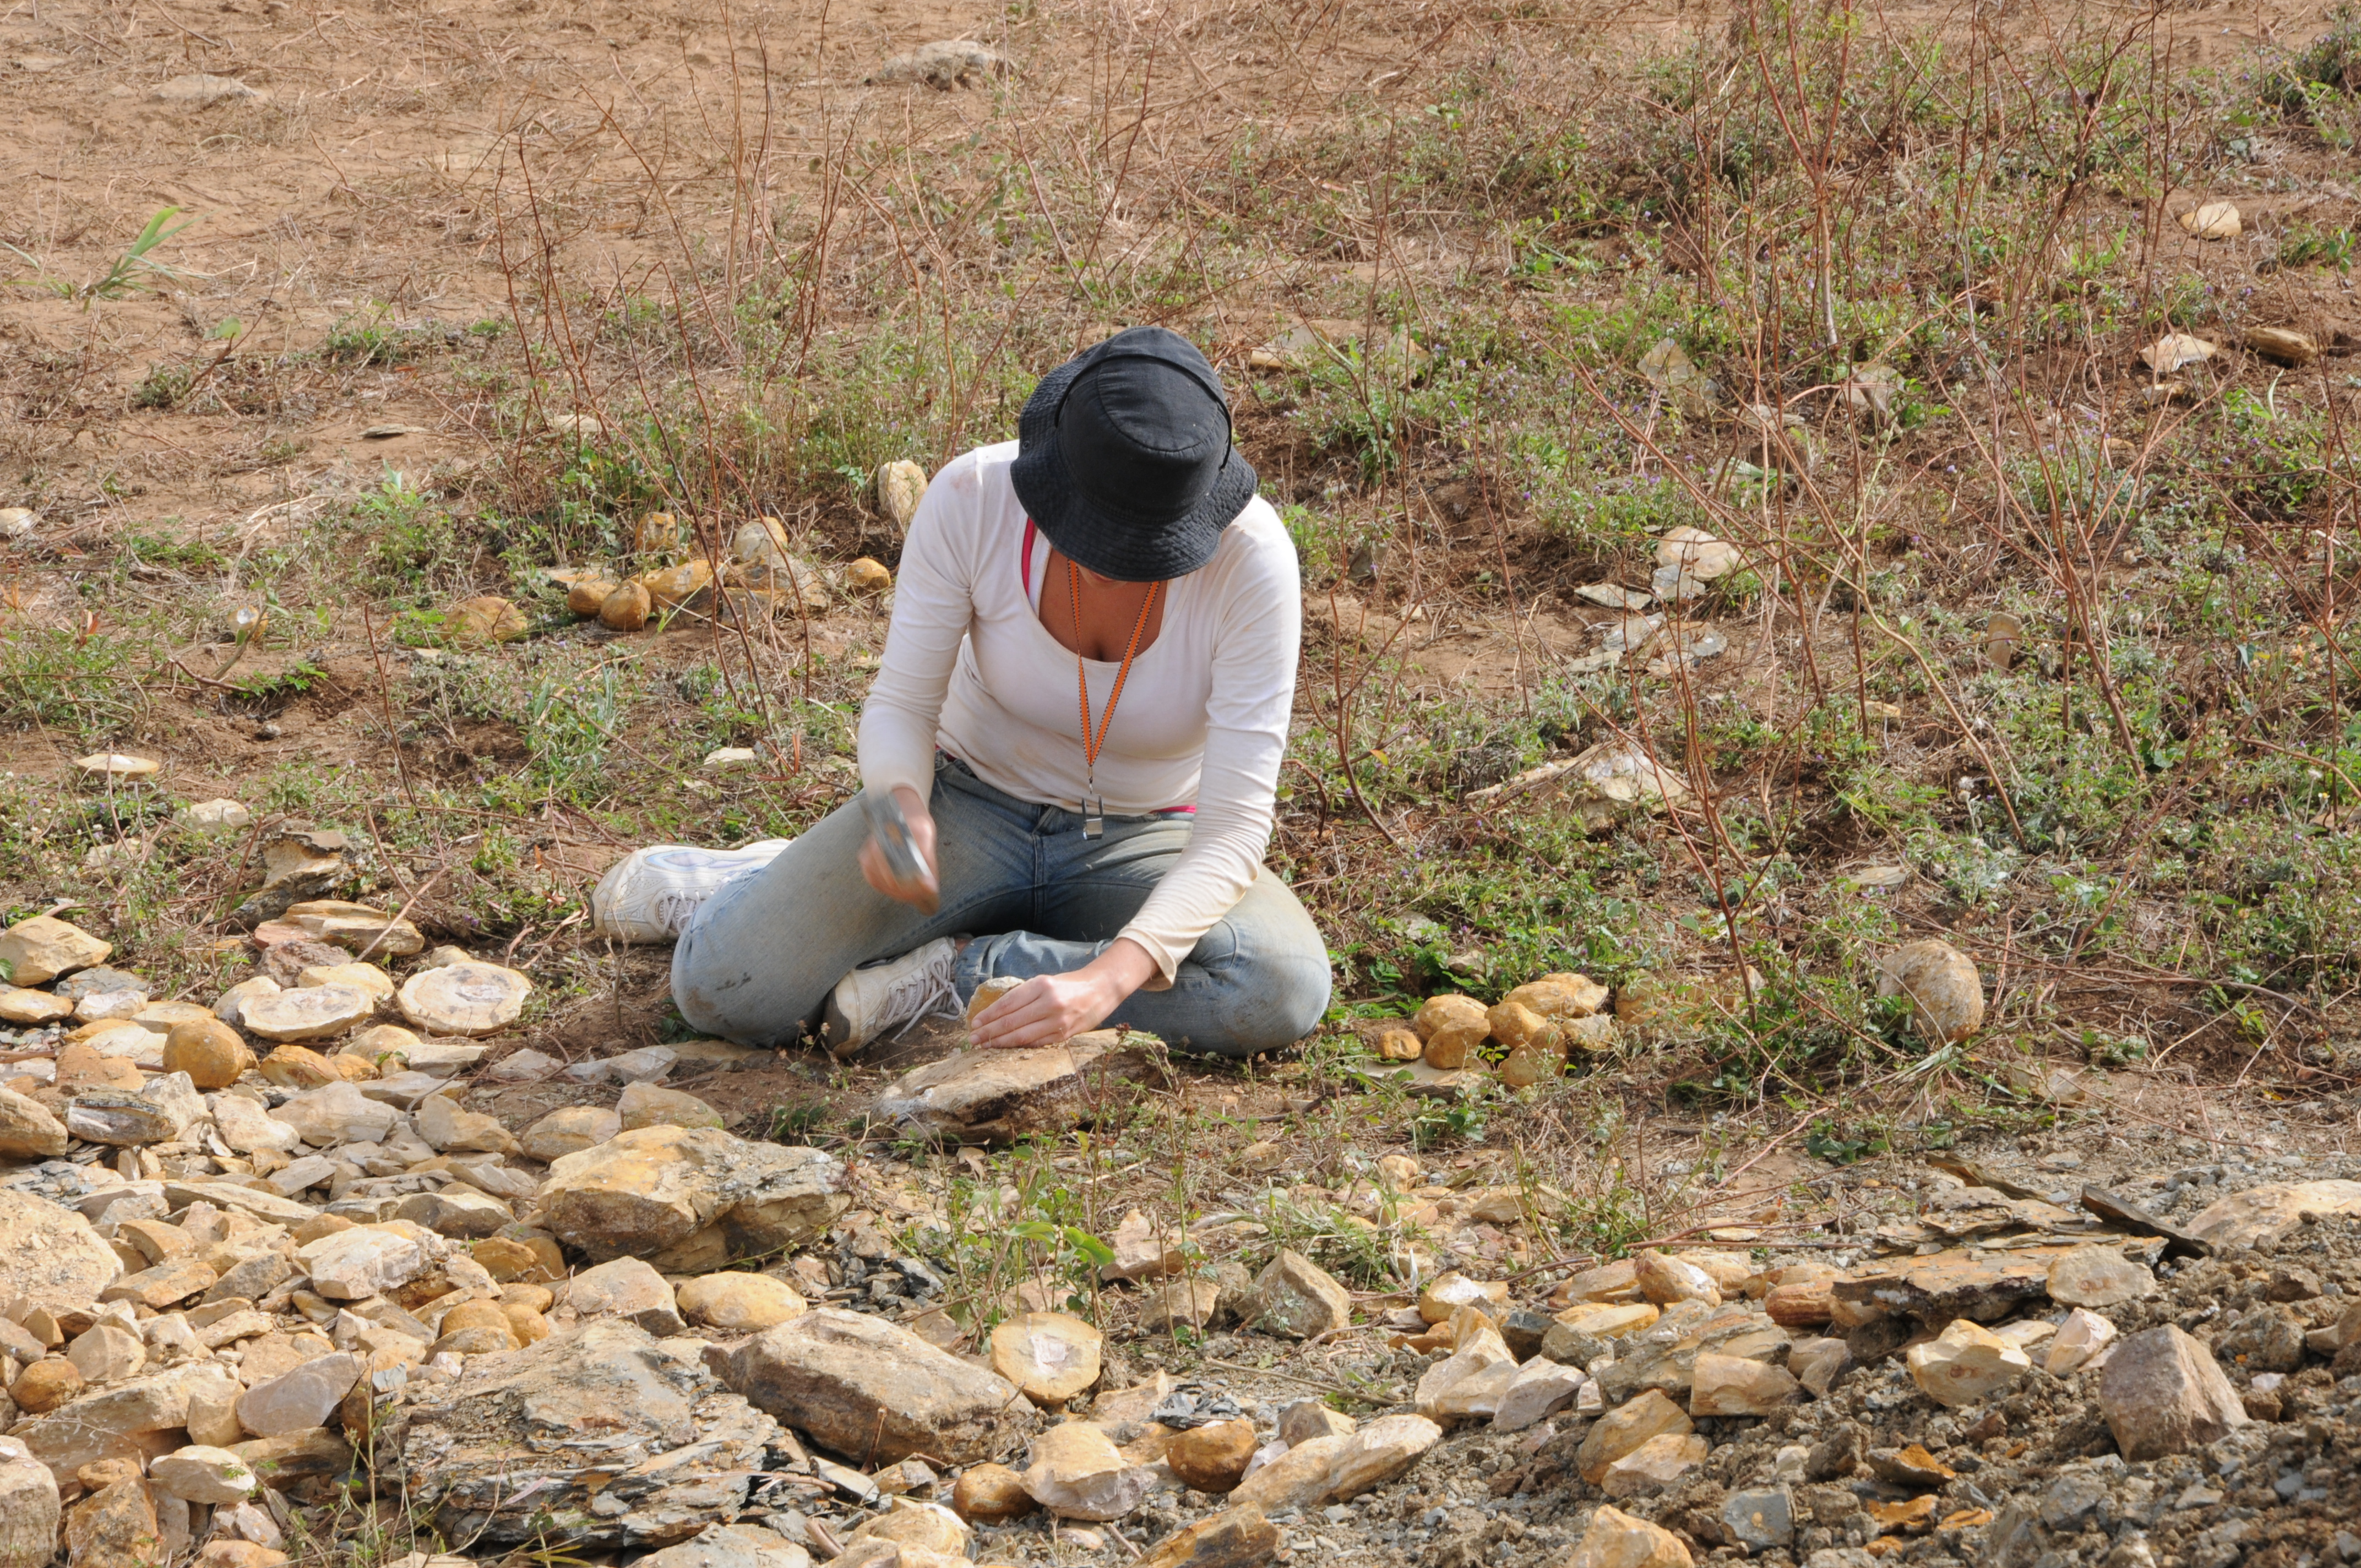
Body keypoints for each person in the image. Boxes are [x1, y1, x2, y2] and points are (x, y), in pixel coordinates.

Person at [667, 325, 1331, 1057]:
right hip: (967, 802)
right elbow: (903, 705)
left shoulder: (1254, 561)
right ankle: (747, 876)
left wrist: (1106, 984)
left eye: (1149, 547)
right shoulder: (973, 498)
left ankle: (958, 973)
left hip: (1148, 837)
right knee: (725, 986)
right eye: (1100, 539)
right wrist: (899, 808)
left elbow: (1233, 827)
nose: (1119, 565)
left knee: (1280, 984)